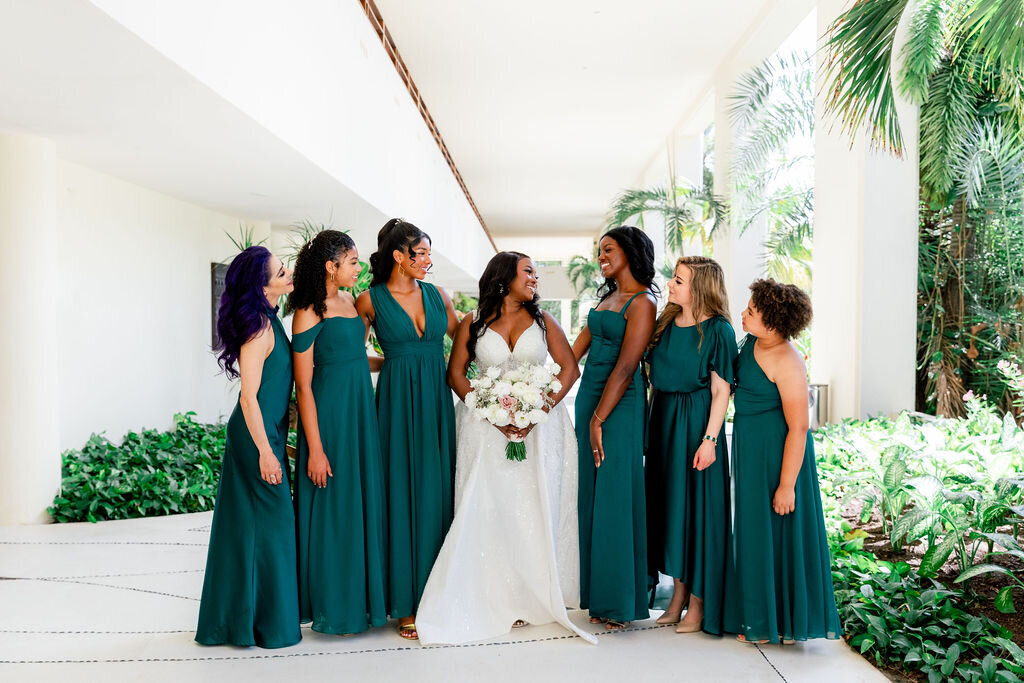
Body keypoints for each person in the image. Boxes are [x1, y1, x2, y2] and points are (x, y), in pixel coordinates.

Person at [416, 252, 596, 645]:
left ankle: (531, 595)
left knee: (533, 504)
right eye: (527, 271)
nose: (535, 278)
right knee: (486, 503)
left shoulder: (544, 322)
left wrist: (540, 408)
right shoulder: (474, 323)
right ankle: (490, 592)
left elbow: (569, 368)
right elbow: (456, 374)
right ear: (503, 278)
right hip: (483, 429)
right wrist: (490, 412)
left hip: (538, 429)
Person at [355, 218, 459, 641]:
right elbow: (354, 353)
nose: (428, 261)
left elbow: (467, 338)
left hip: (436, 404)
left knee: (437, 491)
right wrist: (394, 363)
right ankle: (406, 602)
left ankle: (443, 593)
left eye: (429, 253)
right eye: (421, 253)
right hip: (396, 406)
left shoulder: (438, 295)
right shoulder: (369, 299)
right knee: (399, 493)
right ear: (398, 256)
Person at [724, 279, 841, 644]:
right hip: (751, 453)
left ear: (774, 323)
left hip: (779, 458)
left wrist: (787, 484)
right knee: (754, 534)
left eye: (752, 312)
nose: (743, 314)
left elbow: (800, 426)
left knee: (776, 536)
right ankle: (757, 618)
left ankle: (775, 623)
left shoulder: (788, 360)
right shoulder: (751, 343)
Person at [196, 246, 300, 649]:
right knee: (273, 528)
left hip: (268, 434)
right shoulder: (258, 327)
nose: (288, 273)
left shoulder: (274, 320)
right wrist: (266, 451)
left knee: (251, 531)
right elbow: (249, 398)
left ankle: (243, 623)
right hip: (254, 438)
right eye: (280, 271)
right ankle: (266, 626)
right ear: (262, 286)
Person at [289, 230, 387, 636]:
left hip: (360, 415)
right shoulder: (308, 312)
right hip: (329, 420)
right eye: (351, 261)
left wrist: (401, 362)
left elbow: (358, 359)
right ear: (330, 266)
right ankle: (334, 607)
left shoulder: (350, 302)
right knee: (334, 511)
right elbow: (304, 386)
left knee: (359, 506)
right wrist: (314, 448)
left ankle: (361, 603)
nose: (358, 267)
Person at [572, 226, 657, 632]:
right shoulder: (607, 298)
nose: (601, 257)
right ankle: (597, 597)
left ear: (629, 252)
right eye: (599, 251)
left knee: (616, 495)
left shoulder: (643, 303)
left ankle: (620, 600)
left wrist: (598, 419)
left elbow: (626, 367)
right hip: (590, 396)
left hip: (617, 405)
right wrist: (536, 393)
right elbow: (574, 353)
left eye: (607, 250)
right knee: (592, 494)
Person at [646, 257, 736, 635]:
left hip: (698, 424)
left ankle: (698, 604)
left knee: (698, 513)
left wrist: (711, 440)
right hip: (664, 420)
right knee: (672, 512)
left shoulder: (719, 330)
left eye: (678, 280)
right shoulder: (665, 323)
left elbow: (721, 390)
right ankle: (678, 597)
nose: (670, 284)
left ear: (699, 288)